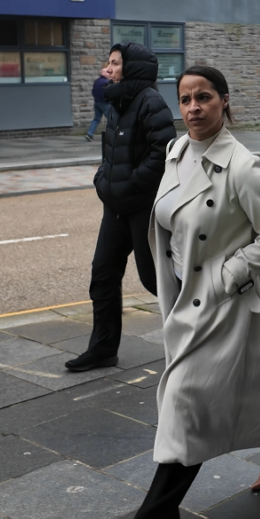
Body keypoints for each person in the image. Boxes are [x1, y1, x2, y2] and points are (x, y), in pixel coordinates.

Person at [114, 66, 260, 519]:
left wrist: (226, 275)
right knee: (253, 391)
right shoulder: (176, 151)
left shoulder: (242, 166)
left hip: (225, 304)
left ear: (224, 101)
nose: (194, 108)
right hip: (184, 297)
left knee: (185, 404)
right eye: (186, 99)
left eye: (205, 98)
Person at [67, 43, 175, 373]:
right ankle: (102, 350)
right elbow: (110, 152)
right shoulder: (117, 102)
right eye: (109, 62)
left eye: (115, 63)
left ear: (132, 68)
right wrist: (103, 179)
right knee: (103, 275)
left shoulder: (150, 102)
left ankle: (198, 339)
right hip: (114, 208)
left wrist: (130, 185)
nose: (108, 68)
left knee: (156, 280)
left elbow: (163, 151)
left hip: (142, 208)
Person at [86, 68, 112, 141]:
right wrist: (108, 100)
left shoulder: (97, 81)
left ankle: (89, 134)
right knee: (111, 119)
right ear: (103, 73)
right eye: (107, 72)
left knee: (96, 119)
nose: (109, 74)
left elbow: (93, 91)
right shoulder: (105, 82)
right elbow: (106, 93)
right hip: (104, 104)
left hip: (97, 103)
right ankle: (112, 134)